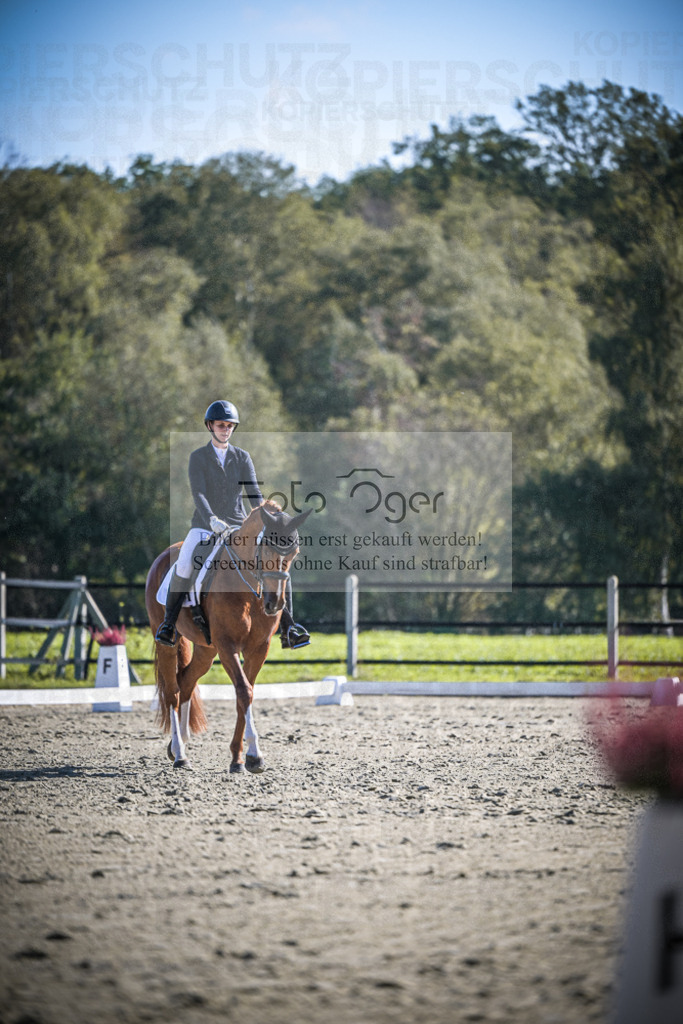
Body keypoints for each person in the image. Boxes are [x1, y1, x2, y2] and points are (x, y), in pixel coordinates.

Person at [155, 399, 310, 650]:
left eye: (229, 425)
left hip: (239, 526)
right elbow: (199, 494)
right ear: (210, 426)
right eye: (220, 425)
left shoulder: (242, 457)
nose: (225, 429)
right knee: (184, 562)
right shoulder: (199, 457)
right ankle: (169, 624)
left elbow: (253, 493)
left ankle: (289, 627)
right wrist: (212, 520)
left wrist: (264, 516)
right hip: (206, 526)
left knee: (277, 561)